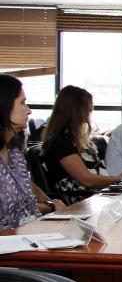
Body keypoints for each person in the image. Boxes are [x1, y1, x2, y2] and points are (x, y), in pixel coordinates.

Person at [40, 86, 122, 205]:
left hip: (94, 197)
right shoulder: (60, 142)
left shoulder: (76, 139)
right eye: (87, 110)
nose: (89, 114)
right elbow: (87, 179)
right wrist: (119, 179)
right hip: (81, 201)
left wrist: (119, 178)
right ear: (76, 111)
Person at [0, 75, 63, 230]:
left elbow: (25, 208)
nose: (29, 110)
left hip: (24, 238)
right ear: (3, 105)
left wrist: (51, 206)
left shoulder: (14, 153)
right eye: (22, 103)